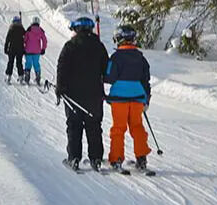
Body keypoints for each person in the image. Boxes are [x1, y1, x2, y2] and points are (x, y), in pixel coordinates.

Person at [56, 17, 109, 171]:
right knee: (94, 126)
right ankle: (96, 158)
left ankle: (74, 158)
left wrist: (60, 87)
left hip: (73, 96)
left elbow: (62, 67)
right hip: (94, 95)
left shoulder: (70, 46)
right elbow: (106, 70)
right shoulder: (99, 46)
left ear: (76, 30)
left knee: (74, 126)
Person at [105, 25, 152, 172]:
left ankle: (117, 159)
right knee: (137, 127)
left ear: (119, 39)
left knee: (119, 128)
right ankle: (141, 158)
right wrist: (146, 99)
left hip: (119, 99)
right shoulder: (141, 58)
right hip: (137, 98)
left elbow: (109, 77)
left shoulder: (116, 57)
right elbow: (146, 80)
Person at [23, 16, 47, 85]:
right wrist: (43, 48)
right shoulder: (41, 30)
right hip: (37, 51)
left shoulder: (29, 29)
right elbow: (44, 40)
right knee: (36, 63)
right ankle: (38, 77)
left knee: (28, 63)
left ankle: (27, 77)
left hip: (28, 50)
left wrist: (23, 46)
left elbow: (25, 39)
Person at [4, 15, 26, 84]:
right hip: (20, 49)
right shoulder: (22, 30)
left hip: (12, 49)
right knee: (19, 63)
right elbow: (25, 39)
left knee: (10, 62)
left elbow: (7, 40)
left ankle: (8, 76)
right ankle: (21, 76)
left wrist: (5, 48)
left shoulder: (11, 29)